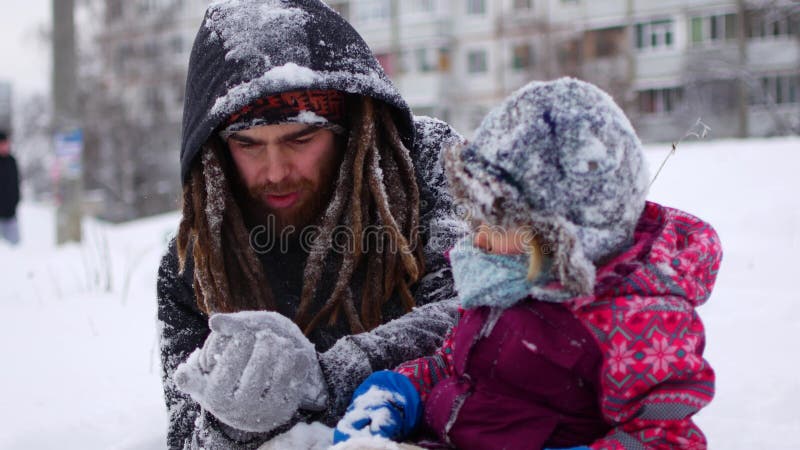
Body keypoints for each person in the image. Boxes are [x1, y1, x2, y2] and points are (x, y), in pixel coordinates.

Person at [333, 78, 722, 449]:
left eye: (496, 223)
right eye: (477, 220)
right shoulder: (506, 282)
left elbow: (663, 438)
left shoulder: (635, 318)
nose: (479, 239)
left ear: (565, 229)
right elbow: (456, 369)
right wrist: (399, 393)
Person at [156, 0, 466, 448]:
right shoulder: (196, 262)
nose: (277, 170)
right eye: (248, 145)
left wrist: (326, 378)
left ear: (353, 124)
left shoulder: (428, 167)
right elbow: (187, 434)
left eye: (300, 138)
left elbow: (478, 313)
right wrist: (231, 424)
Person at [0, 130, 20, 245]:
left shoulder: (12, 161)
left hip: (11, 214)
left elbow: (16, 184)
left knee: (14, 247)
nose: (4, 146)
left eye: (5, 143)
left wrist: (15, 202)